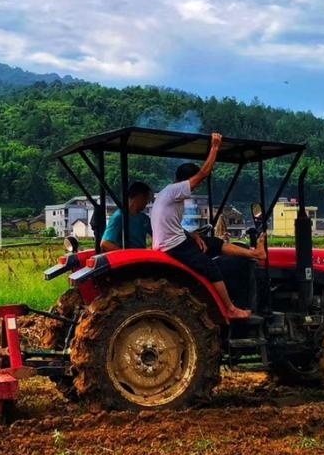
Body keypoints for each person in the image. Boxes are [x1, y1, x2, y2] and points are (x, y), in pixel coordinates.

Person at [150, 132, 253, 319]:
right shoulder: (176, 190)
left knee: (212, 243)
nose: (195, 188)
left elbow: (169, 225)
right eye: (194, 184)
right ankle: (230, 309)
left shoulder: (168, 195)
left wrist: (193, 235)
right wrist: (215, 147)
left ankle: (253, 253)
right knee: (212, 268)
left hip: (175, 241)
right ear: (186, 180)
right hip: (173, 246)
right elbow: (204, 173)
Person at [100, 181, 152, 252]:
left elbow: (158, 235)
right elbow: (105, 243)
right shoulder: (119, 217)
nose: (147, 202)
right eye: (146, 198)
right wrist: (128, 254)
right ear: (139, 197)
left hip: (141, 257)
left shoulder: (144, 219)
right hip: (129, 258)